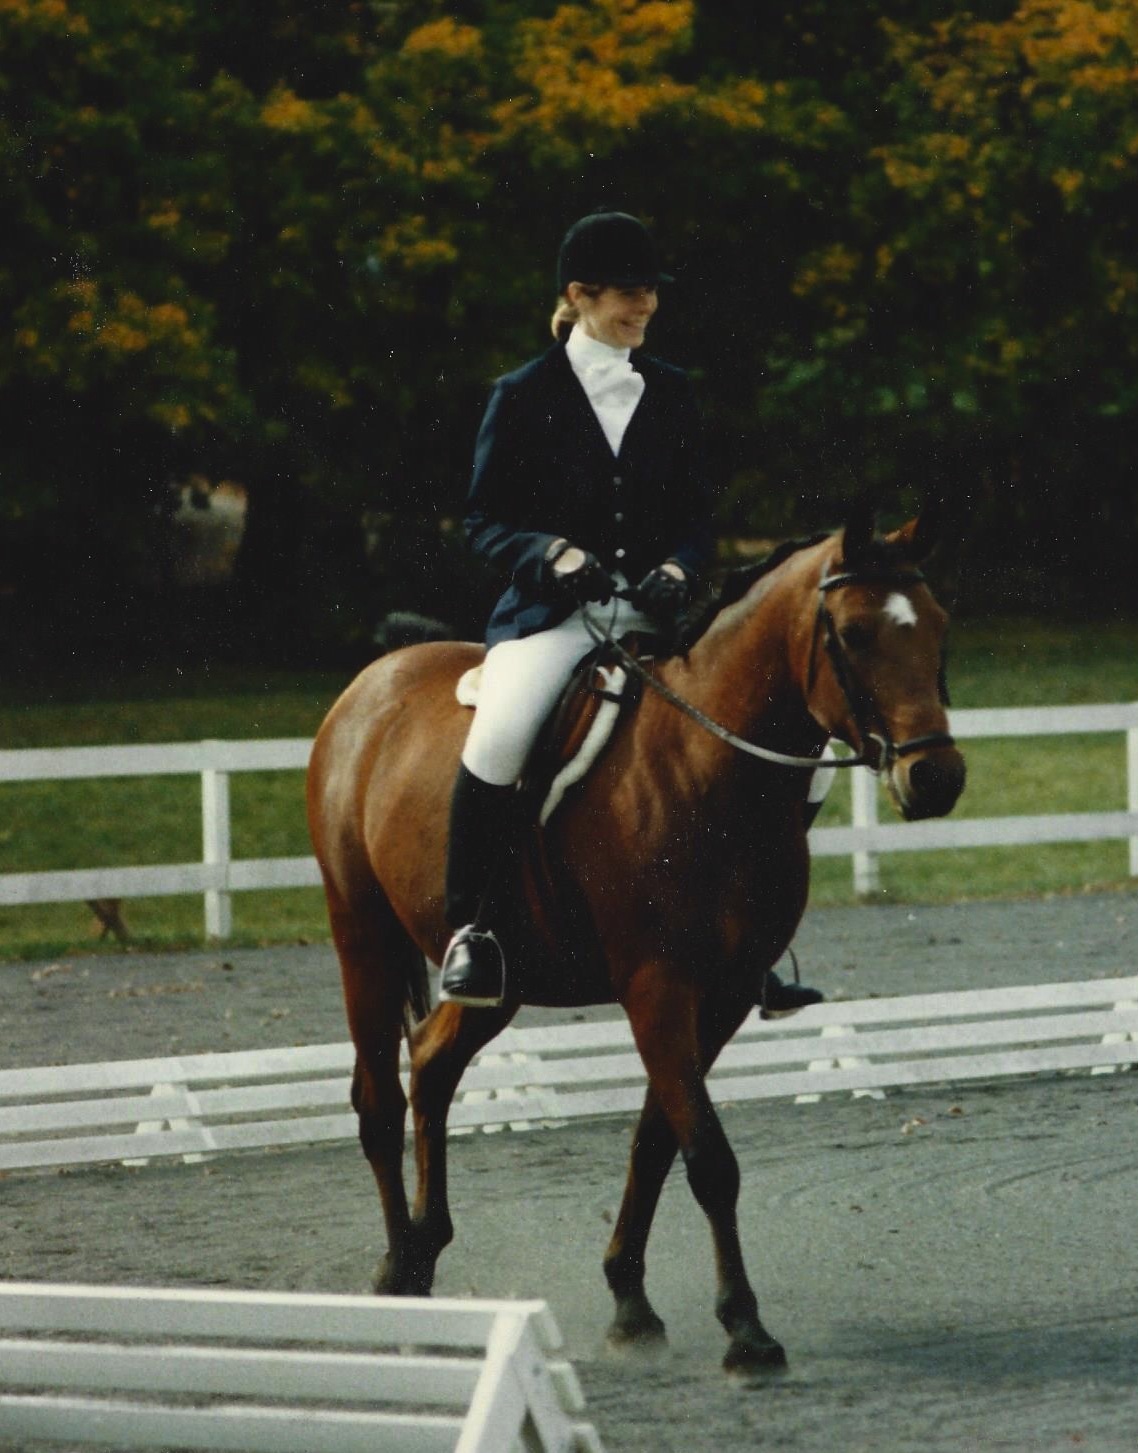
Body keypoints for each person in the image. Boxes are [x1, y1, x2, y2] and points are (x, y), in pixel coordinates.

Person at [440, 210, 822, 1017]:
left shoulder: (671, 391)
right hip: (554, 617)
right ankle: (473, 930)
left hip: (655, 620)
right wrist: (551, 553)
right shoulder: (521, 394)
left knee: (801, 750)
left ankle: (754, 934)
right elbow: (483, 519)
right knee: (501, 733)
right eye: (628, 293)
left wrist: (680, 566)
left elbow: (695, 516)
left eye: (650, 291)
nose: (645, 306)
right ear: (580, 295)